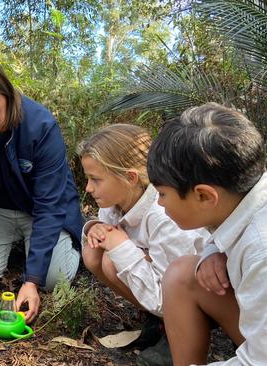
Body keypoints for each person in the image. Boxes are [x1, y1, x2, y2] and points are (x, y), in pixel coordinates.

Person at [147, 102, 267, 365]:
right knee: (184, 274)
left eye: (162, 194)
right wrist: (214, 250)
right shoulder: (251, 200)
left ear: (205, 196)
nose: (159, 203)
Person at [0, 53, 83, 322]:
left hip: (40, 210)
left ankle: (74, 239)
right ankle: (15, 248)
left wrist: (31, 280)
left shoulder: (41, 126)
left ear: (7, 94)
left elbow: (49, 204)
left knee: (53, 279)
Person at [77, 123, 207, 365]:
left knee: (113, 258)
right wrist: (94, 228)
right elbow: (104, 237)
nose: (88, 188)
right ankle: (160, 321)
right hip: (160, 280)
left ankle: (181, 330)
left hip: (199, 291)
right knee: (96, 255)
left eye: (95, 179)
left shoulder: (163, 213)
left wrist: (121, 247)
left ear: (129, 177)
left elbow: (168, 290)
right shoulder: (115, 201)